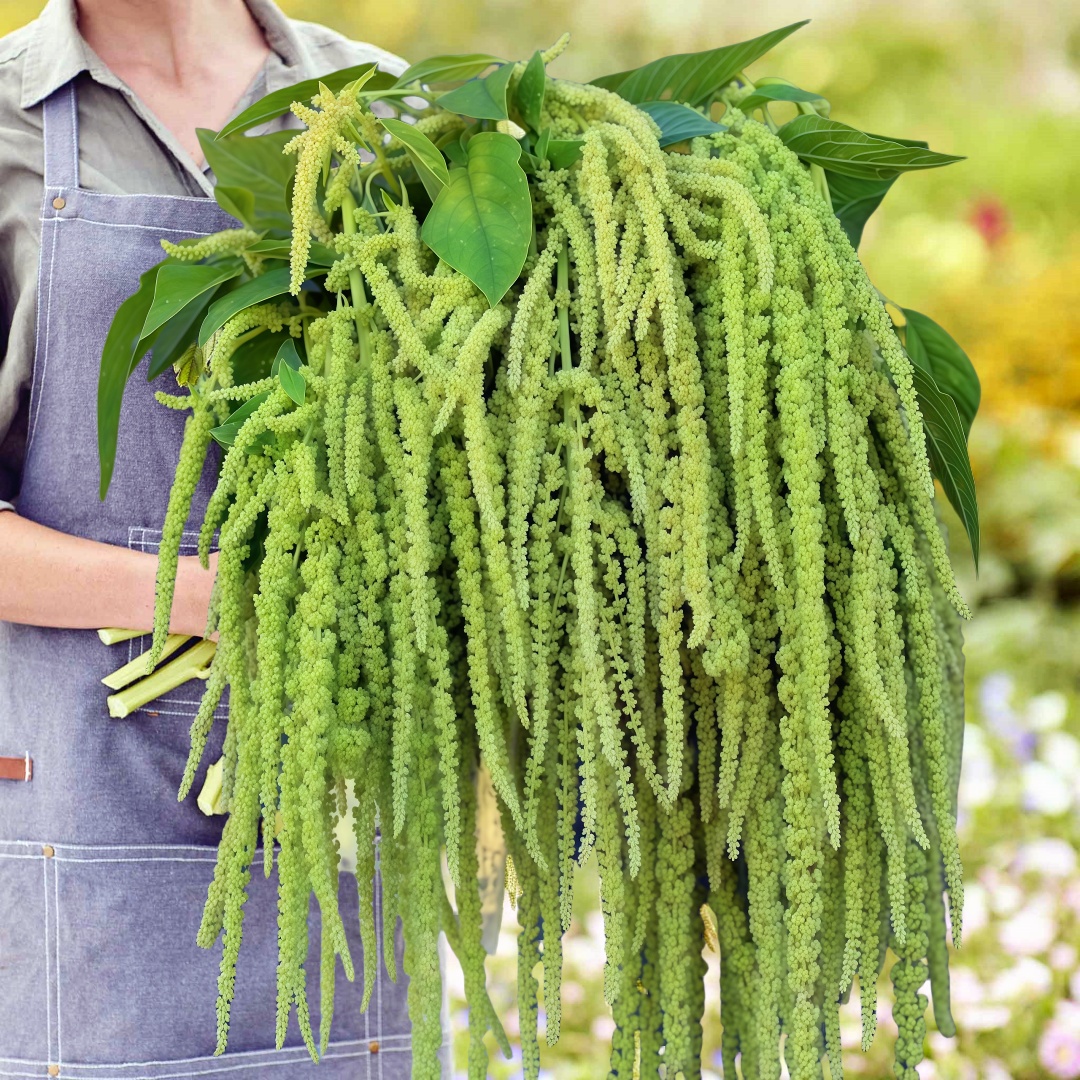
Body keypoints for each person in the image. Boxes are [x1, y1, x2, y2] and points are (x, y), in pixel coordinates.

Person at [0, 1, 418, 1074]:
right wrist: (206, 596)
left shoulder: (388, 110)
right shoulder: (6, 118)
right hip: (82, 797)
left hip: (344, 788)